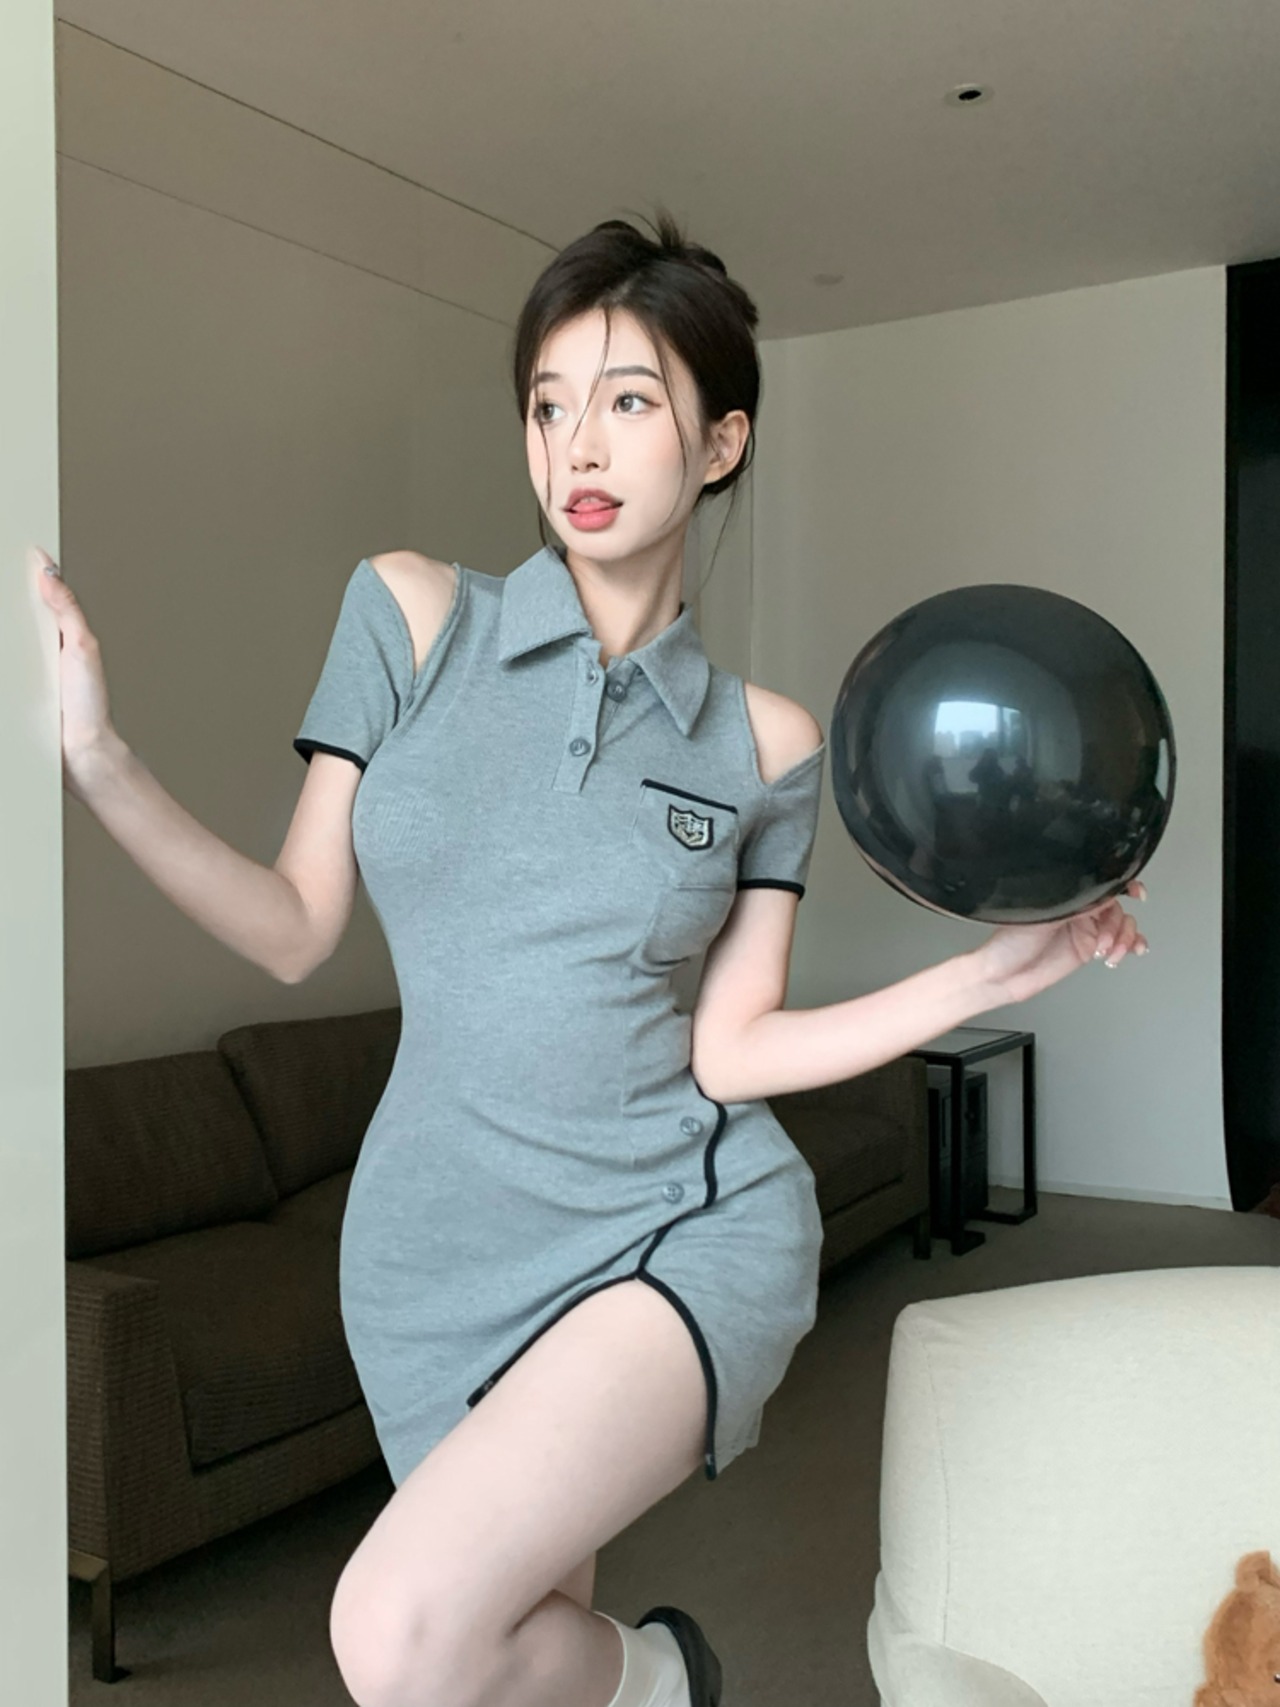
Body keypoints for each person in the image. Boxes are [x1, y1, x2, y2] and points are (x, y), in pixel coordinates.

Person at [35, 208, 1148, 1707]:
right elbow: (295, 929)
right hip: (429, 1252)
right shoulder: (410, 615)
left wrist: (990, 977)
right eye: (549, 405)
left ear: (721, 441)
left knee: (397, 1635)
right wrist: (98, 759)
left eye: (629, 400)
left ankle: (662, 1675)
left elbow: (733, 1049)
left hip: (668, 1226)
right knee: (493, 1669)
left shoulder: (766, 746)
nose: (580, 445)